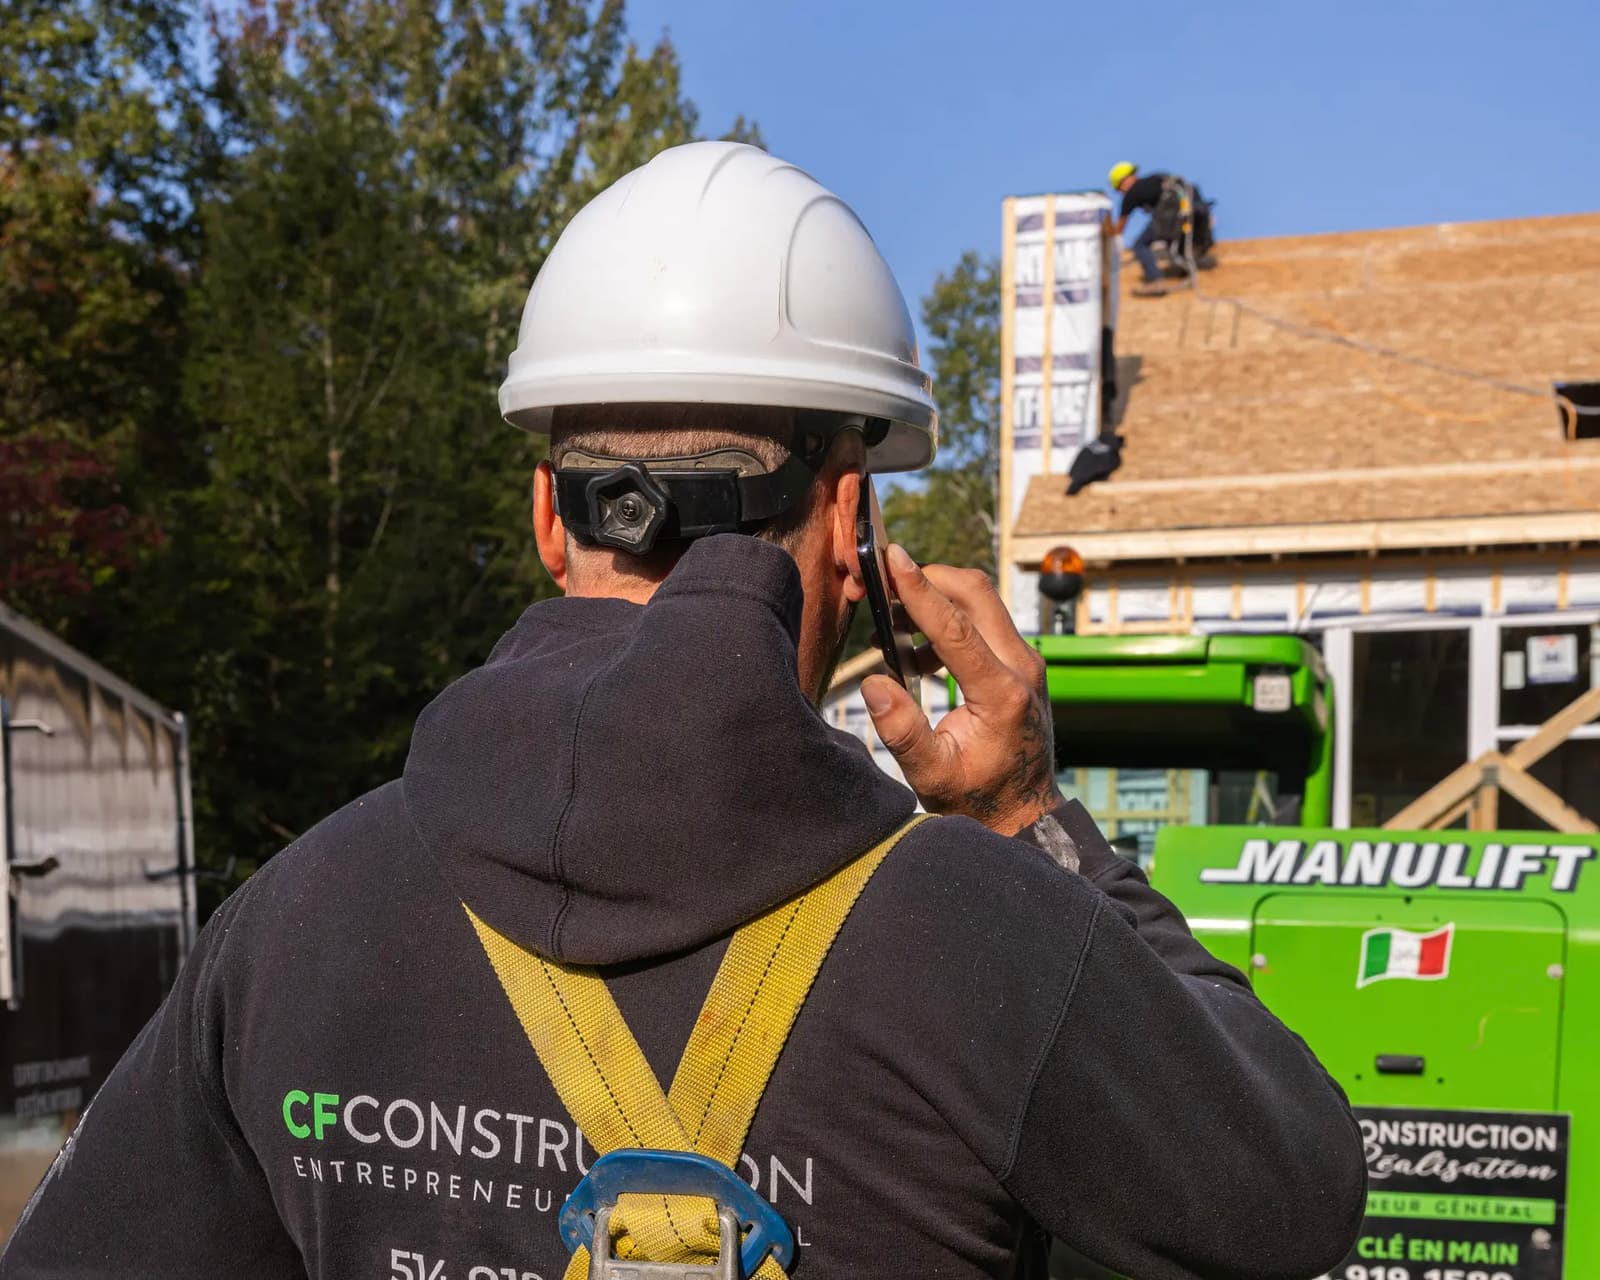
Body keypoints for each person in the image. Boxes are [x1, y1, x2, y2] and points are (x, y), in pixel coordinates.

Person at [2, 142, 1363, 1280]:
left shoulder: (294, 918)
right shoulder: (989, 931)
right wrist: (1023, 815)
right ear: (846, 516)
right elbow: (1287, 1198)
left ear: (550, 515)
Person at [1109, 161, 1213, 292]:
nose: (1120, 193)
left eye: (1118, 188)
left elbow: (1120, 226)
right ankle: (1188, 267)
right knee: (1174, 243)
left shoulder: (1132, 194)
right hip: (1189, 212)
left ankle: (1154, 280)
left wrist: (1107, 235)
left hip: (1169, 218)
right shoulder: (1157, 178)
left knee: (1140, 245)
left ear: (1123, 182)